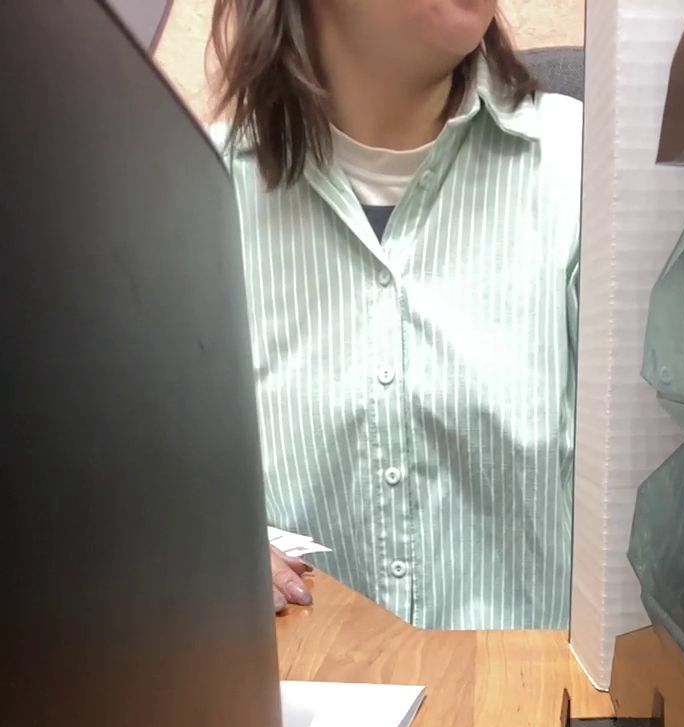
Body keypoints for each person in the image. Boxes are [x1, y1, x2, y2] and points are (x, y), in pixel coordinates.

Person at [210, 0, 582, 624]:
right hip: (297, 679)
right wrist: (192, 549)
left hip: (528, 680)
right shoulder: (194, 191)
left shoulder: (585, 168)